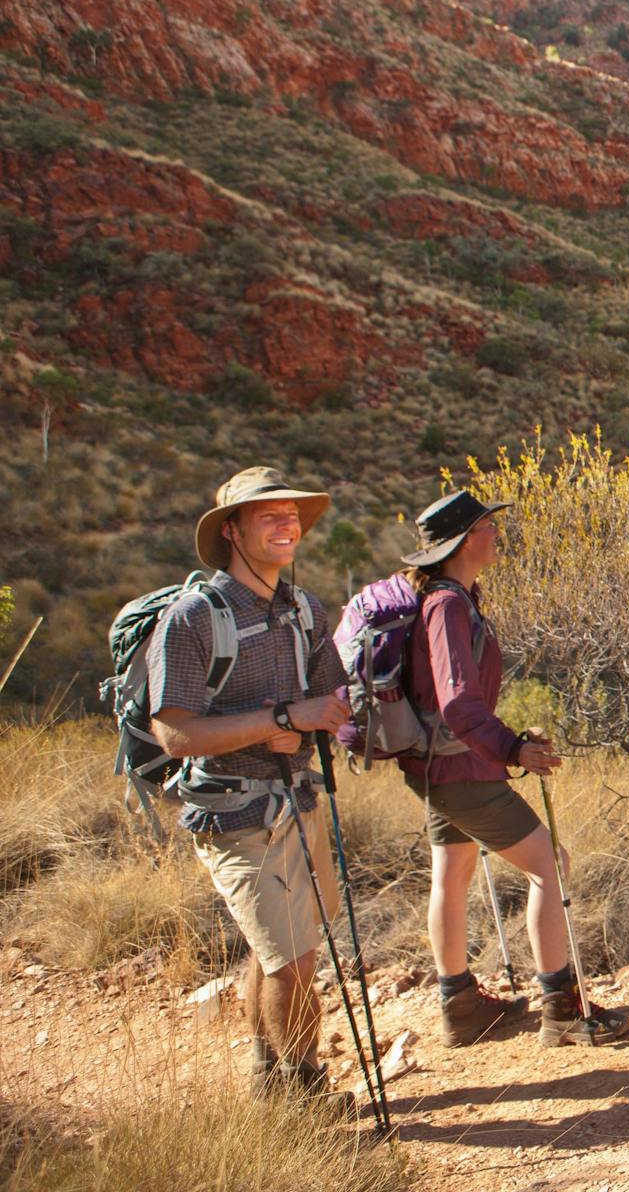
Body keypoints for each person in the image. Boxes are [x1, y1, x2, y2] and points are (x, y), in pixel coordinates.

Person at [147, 466, 354, 1105]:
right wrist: (282, 720)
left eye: (292, 513)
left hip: (299, 800)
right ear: (232, 531)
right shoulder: (192, 619)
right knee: (290, 965)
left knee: (287, 952)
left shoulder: (304, 608)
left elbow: (329, 694)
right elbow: (174, 734)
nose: (287, 523)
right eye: (269, 515)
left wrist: (323, 716)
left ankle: (269, 1077)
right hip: (236, 816)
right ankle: (305, 1095)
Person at [394, 489, 629, 1048]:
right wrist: (511, 749)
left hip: (436, 766)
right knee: (550, 865)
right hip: (464, 768)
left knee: (451, 874)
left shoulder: (449, 599)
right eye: (487, 528)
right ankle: (563, 1010)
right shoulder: (449, 605)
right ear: (464, 541)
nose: (496, 535)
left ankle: (461, 1008)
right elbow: (457, 703)